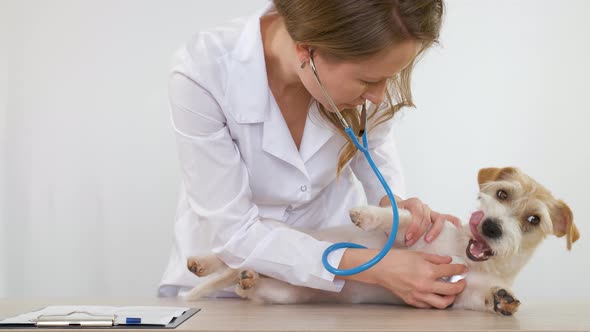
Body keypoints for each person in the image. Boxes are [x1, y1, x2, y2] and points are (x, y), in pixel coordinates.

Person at [159, 0, 467, 309]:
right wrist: (375, 266)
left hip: (326, 291)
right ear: (306, 50)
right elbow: (234, 232)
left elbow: (371, 142)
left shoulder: (368, 60)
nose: (379, 96)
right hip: (220, 289)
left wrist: (395, 209)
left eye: (390, 77)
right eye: (368, 81)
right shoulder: (203, 71)